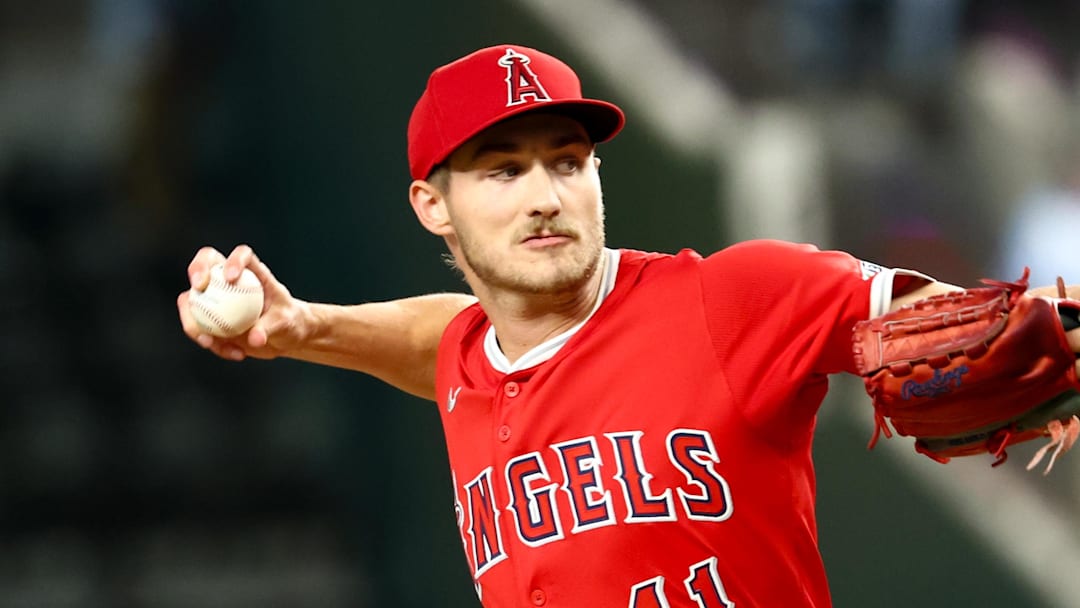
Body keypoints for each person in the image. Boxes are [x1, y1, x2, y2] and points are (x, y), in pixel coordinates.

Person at [177, 44, 1080, 608]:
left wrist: (1049, 335)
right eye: (504, 171)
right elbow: (442, 340)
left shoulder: (730, 301)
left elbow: (973, 330)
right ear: (432, 206)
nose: (546, 195)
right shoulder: (467, 358)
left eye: (568, 161)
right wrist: (301, 327)